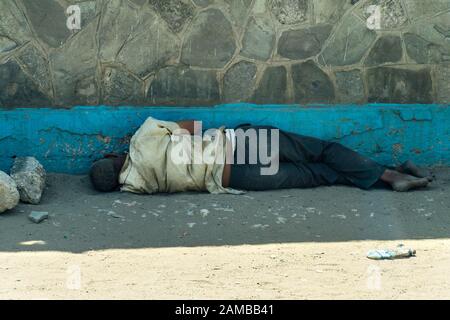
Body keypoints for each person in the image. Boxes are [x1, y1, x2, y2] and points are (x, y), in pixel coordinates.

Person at [89, 117, 432, 194]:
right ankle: (389, 173)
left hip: (235, 178)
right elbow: (193, 124)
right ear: (111, 154)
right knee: (319, 150)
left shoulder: (135, 186)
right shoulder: (143, 136)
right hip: (239, 144)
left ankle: (390, 175)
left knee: (316, 174)